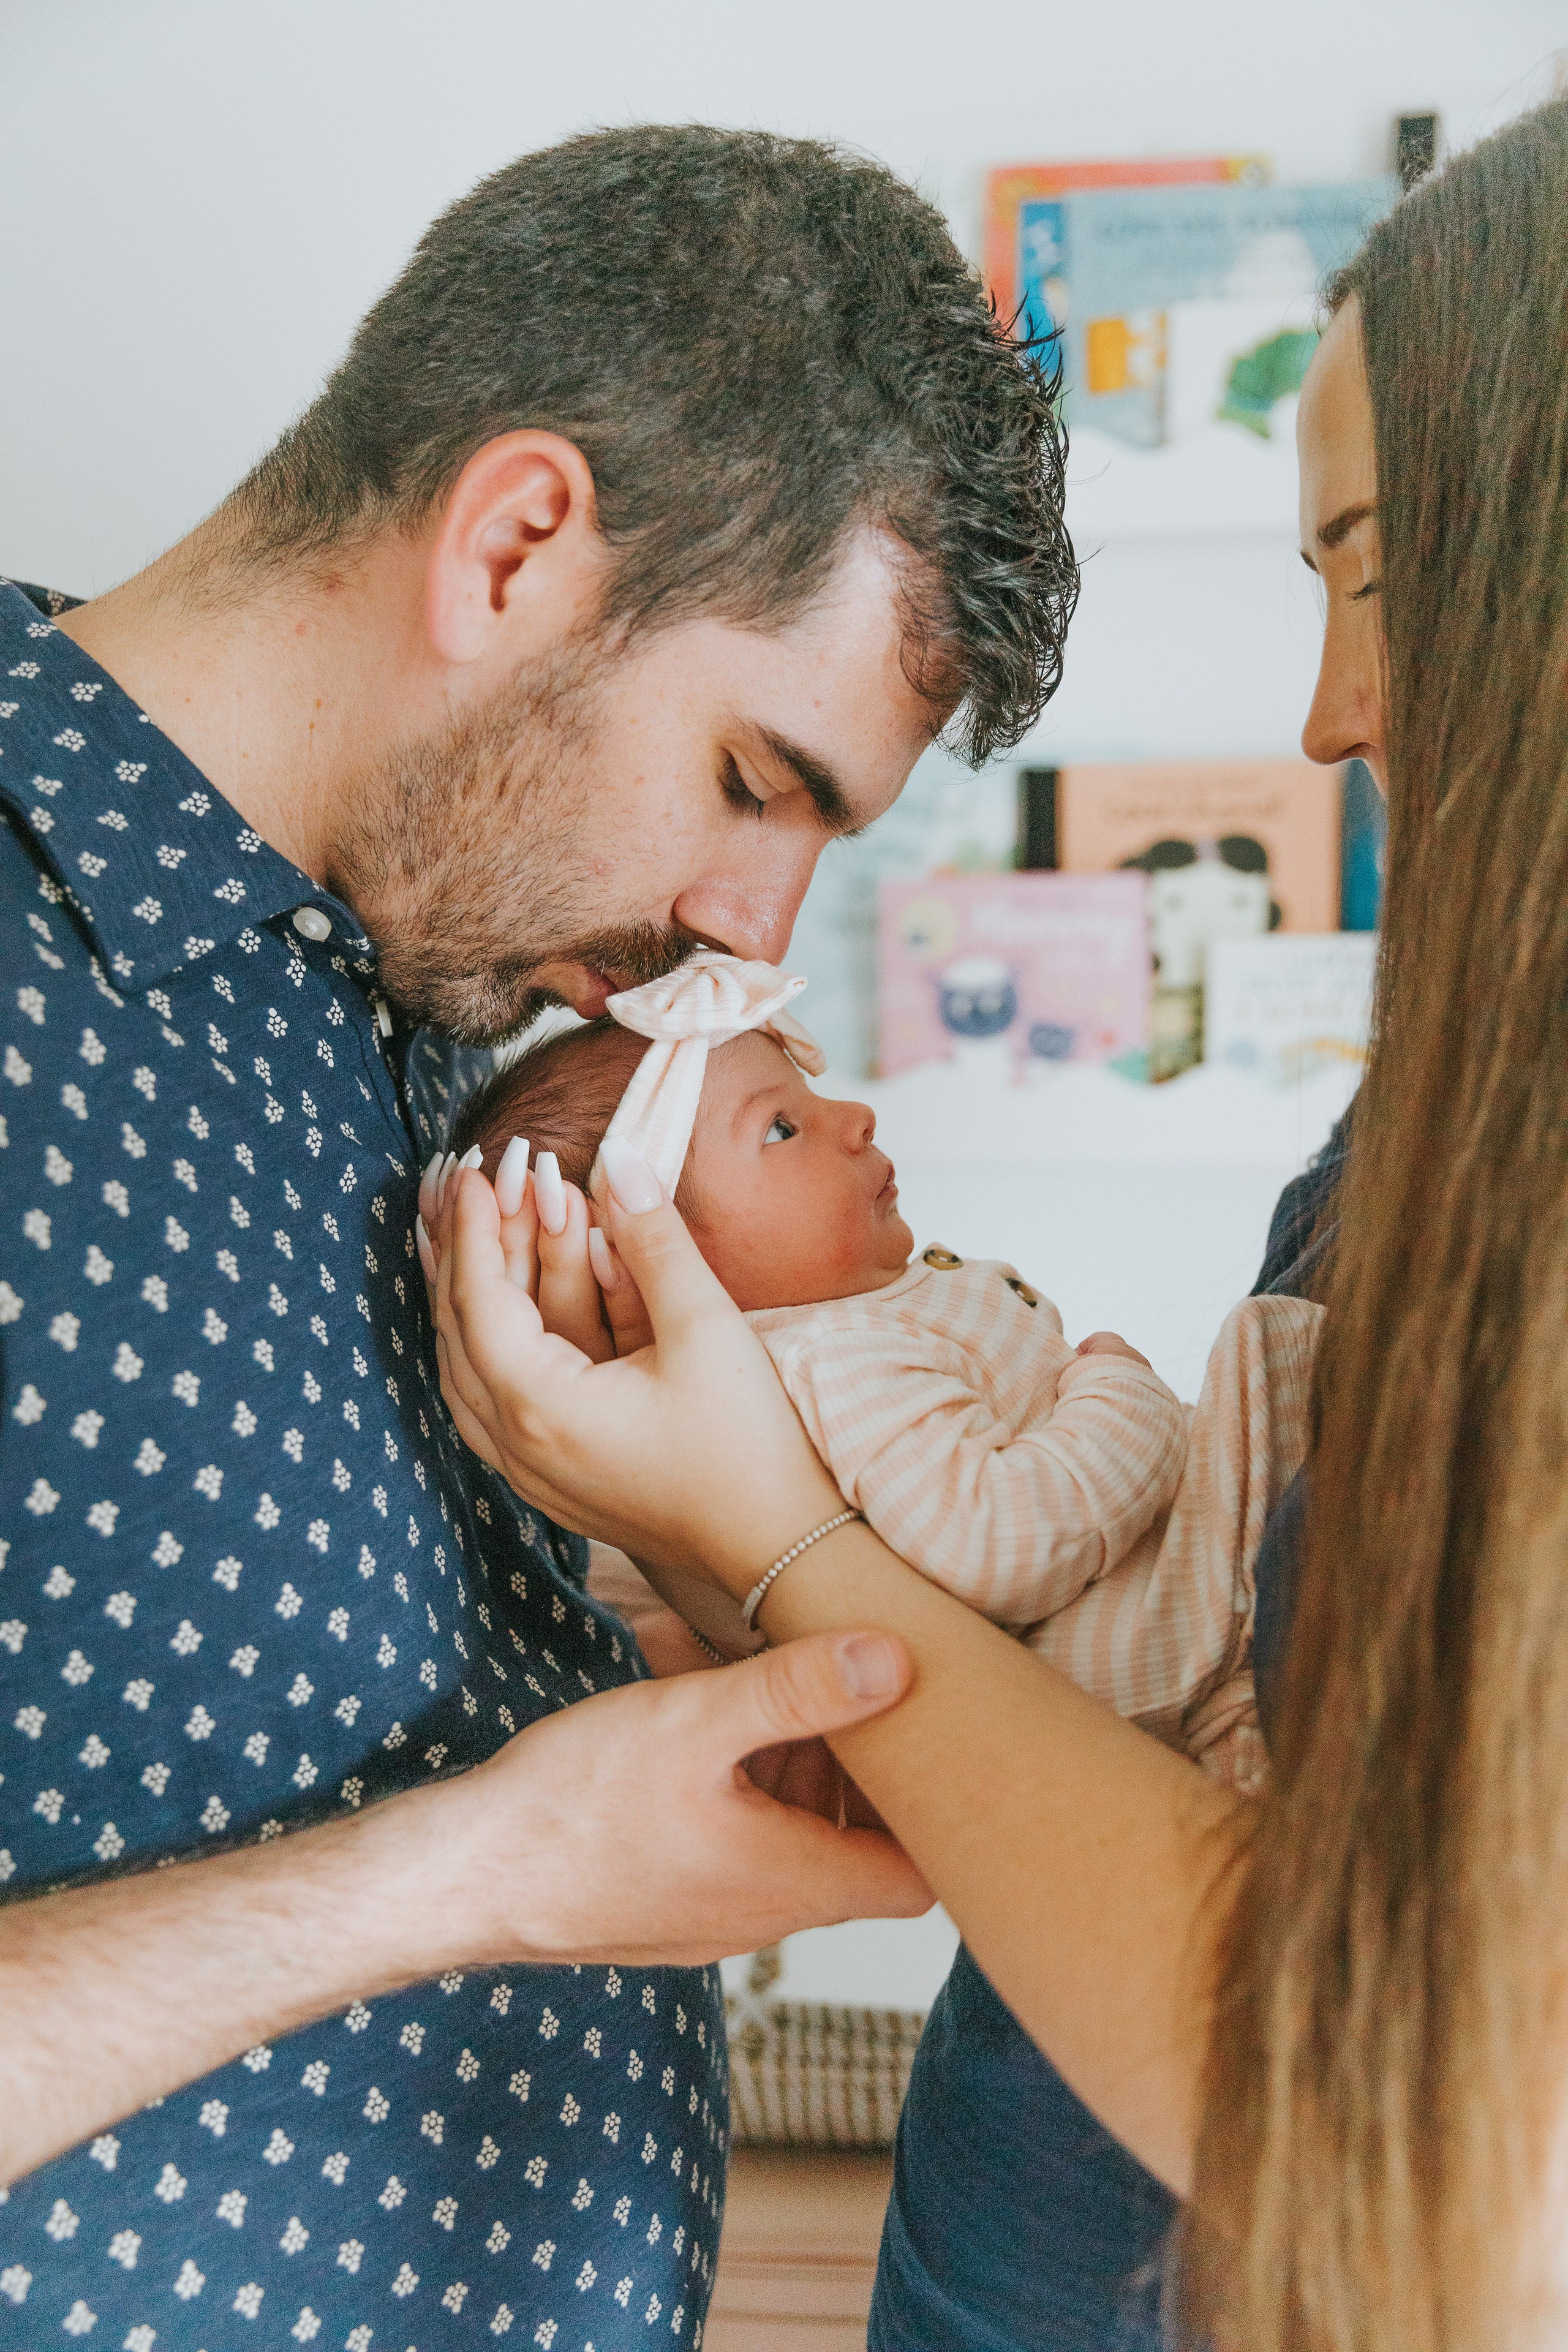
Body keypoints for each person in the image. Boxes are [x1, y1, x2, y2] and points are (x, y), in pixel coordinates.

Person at [429, 100, 1568, 2351]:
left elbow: (1469, 2153)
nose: (1333, 711)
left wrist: (791, 1555)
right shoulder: (1436, 1129)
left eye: (1381, 572)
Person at [0, 126, 1077, 2346]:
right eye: (761, 785)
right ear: (514, 547)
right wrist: (486, 1870)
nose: (755, 936)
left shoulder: (454, 1001)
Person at [448, 959, 1319, 1790]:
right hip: (1202, 1609)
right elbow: (1004, 1542)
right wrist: (1121, 1390)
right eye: (779, 1130)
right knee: (1278, 1362)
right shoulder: (833, 1359)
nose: (857, 1115)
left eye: (809, 1098)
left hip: (1205, 1609)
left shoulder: (857, 1324)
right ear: (649, 1258)